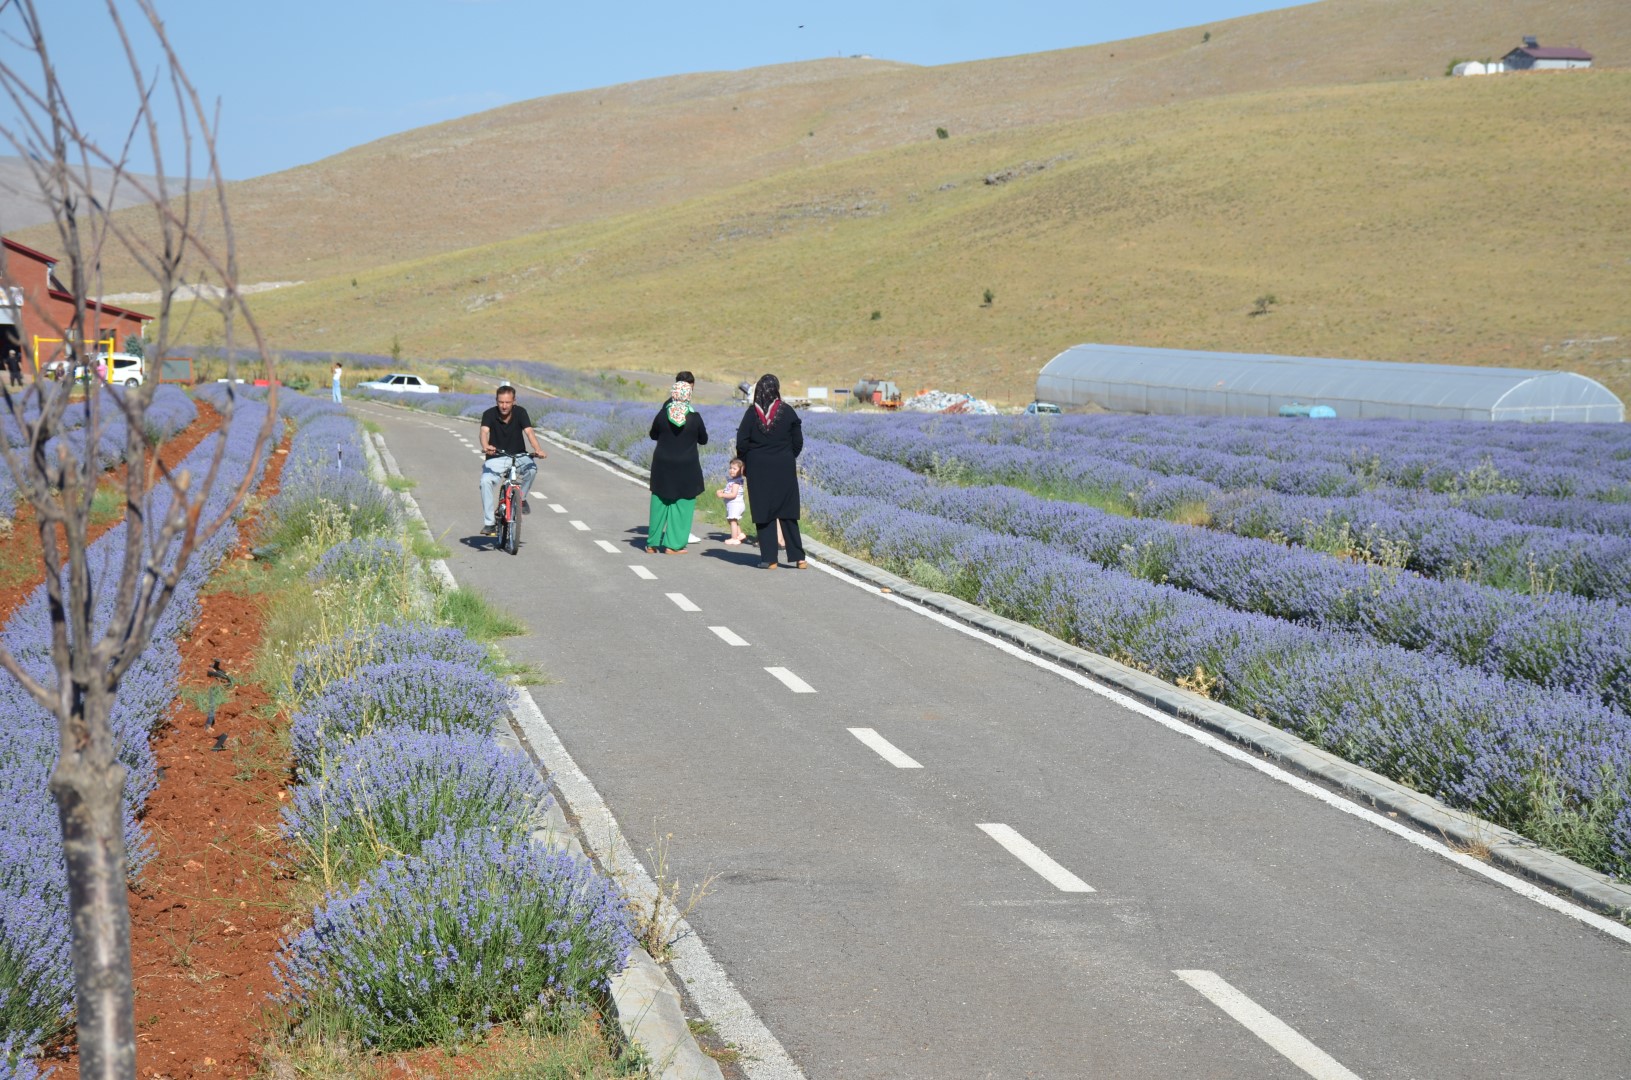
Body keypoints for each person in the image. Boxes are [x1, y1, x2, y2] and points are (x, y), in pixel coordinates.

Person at [735, 373, 805, 569]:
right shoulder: (788, 411)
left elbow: (742, 443)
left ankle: (770, 559)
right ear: (776, 389)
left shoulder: (751, 414)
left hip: (758, 469)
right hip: (784, 467)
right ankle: (799, 558)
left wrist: (748, 462)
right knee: (788, 512)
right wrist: (787, 457)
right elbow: (798, 442)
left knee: (763, 512)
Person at [647, 372, 708, 553]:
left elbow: (653, 435)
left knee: (660, 501)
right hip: (686, 466)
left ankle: (652, 543)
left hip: (662, 465)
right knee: (682, 504)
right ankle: (673, 545)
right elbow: (703, 439)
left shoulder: (662, 414)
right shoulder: (694, 417)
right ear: (688, 394)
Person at [479, 384, 546, 536]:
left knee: (532, 470)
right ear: (496, 401)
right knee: (485, 482)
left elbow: (529, 432)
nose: (504, 406)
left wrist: (537, 449)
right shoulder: (489, 414)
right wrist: (486, 445)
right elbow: (483, 432)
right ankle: (489, 523)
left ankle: (521, 498)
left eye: (507, 402)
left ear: (514, 401)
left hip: (519, 456)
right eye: (501, 402)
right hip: (496, 457)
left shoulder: (521, 412)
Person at [717, 457, 747, 545]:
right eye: (730, 468)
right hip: (732, 505)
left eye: (734, 469)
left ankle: (734, 538)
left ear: (741, 470)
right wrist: (723, 491)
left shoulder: (737, 482)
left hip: (735, 505)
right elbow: (729, 490)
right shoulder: (732, 481)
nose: (731, 470)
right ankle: (740, 534)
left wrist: (722, 495)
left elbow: (733, 494)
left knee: (733, 521)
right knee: (731, 520)